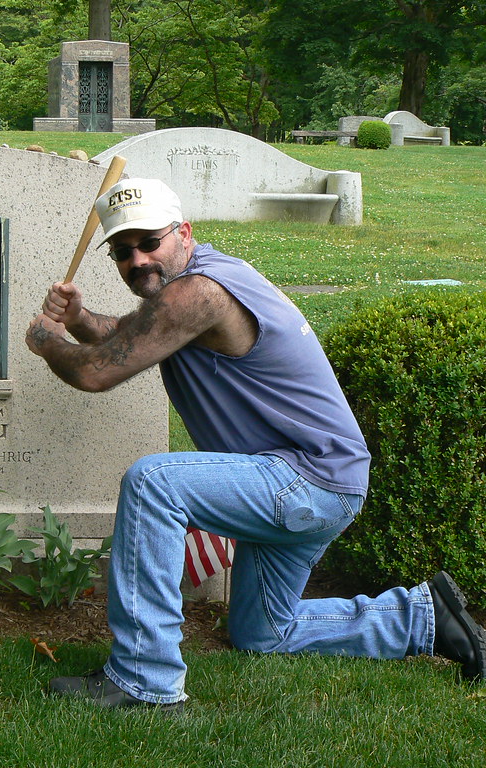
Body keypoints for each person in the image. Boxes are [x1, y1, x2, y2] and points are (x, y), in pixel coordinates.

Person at [24, 177, 486, 713]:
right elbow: (127, 333)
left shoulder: (199, 293)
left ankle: (143, 680)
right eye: (124, 253)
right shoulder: (194, 284)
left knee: (155, 484)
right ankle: (422, 619)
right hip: (314, 479)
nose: (138, 260)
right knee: (263, 632)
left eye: (150, 242)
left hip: (305, 478)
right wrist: (78, 318)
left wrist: (47, 340)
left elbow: (96, 373)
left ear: (183, 233)